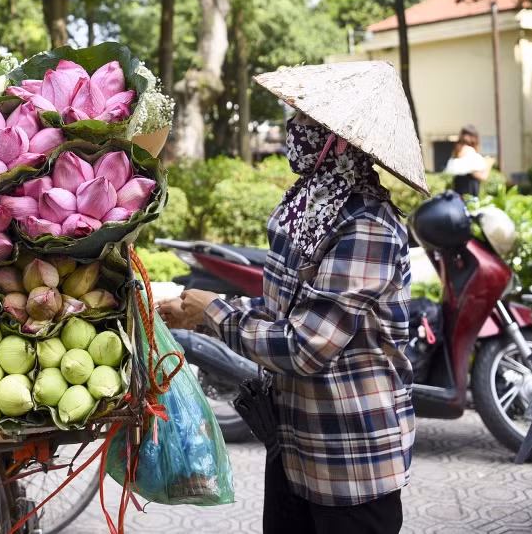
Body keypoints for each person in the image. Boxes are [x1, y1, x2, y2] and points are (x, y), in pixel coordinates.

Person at [159, 61, 424, 534]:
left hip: (351, 461)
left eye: (305, 124)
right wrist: (195, 314)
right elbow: (278, 315)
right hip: (294, 446)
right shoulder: (302, 207)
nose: (291, 131)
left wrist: (215, 313)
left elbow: (305, 346)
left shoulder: (367, 226)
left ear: (337, 141)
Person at [444, 125, 492, 197]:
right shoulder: (468, 151)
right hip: (467, 192)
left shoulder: (460, 151)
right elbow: (483, 177)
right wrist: (488, 164)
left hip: (461, 191)